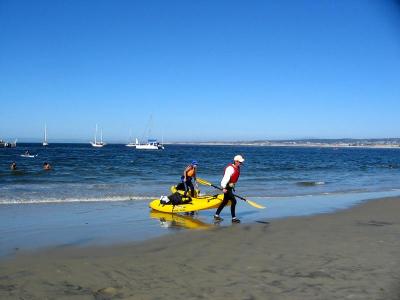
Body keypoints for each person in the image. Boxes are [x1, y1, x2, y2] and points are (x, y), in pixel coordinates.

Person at [214, 155, 245, 223]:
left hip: (230, 187)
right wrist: (223, 187)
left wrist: (232, 185)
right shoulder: (230, 169)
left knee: (225, 201)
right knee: (234, 201)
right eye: (240, 162)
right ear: (236, 161)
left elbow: (233, 179)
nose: (241, 163)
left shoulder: (237, 167)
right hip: (226, 187)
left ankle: (216, 215)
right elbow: (225, 179)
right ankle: (233, 218)